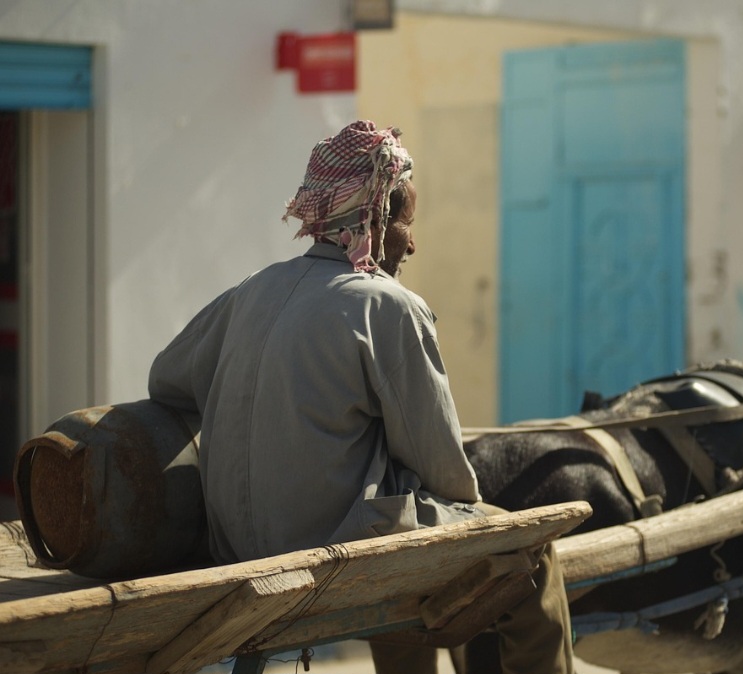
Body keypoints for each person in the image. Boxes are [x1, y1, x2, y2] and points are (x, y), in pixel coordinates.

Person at [148, 121, 575, 674]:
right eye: (405, 222)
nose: (412, 242)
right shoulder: (388, 306)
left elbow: (166, 379)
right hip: (334, 559)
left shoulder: (251, 290)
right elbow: (447, 476)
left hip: (234, 547)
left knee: (397, 516)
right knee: (531, 552)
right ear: (372, 214)